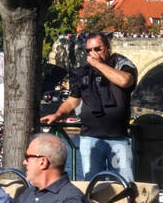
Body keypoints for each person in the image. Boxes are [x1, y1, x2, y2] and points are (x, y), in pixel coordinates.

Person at [42, 32, 137, 182]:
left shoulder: (121, 64)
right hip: (90, 137)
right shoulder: (83, 72)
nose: (93, 54)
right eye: (88, 51)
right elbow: (73, 101)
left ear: (107, 48)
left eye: (97, 49)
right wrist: (58, 114)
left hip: (117, 138)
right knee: (92, 184)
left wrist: (99, 64)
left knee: (123, 183)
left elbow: (125, 81)